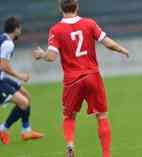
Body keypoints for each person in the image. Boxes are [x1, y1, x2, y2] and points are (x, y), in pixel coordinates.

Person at [32, 0, 129, 156]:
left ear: (60, 8)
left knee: (69, 116)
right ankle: (106, 154)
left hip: (72, 80)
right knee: (101, 116)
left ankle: (70, 145)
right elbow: (107, 43)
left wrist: (41, 54)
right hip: (92, 75)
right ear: (77, 6)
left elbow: (51, 57)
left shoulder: (56, 30)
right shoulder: (89, 23)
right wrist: (122, 49)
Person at [0, 16, 44, 144]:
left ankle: (26, 130)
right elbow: (4, 65)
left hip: (2, 78)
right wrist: (20, 76)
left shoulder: (2, 38)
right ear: (16, 29)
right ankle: (7, 129)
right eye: (20, 28)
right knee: (23, 103)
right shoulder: (8, 44)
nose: (20, 30)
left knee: (26, 96)